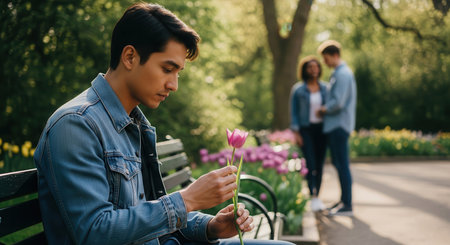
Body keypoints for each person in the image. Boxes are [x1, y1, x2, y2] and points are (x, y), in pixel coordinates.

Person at [33, 3, 294, 245]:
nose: (174, 85)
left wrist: (210, 227)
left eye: (178, 73)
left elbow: (151, 212)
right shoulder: (76, 125)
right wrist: (187, 199)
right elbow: (94, 231)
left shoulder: (133, 123)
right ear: (130, 57)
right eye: (167, 69)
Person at [316, 40, 357, 217]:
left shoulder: (342, 74)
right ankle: (343, 201)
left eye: (326, 59)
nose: (324, 63)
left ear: (334, 55)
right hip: (337, 125)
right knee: (339, 164)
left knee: (342, 165)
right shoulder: (339, 73)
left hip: (339, 125)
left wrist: (322, 109)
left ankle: (347, 205)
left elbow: (338, 102)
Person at [289, 56, 327, 212]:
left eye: (316, 66)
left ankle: (317, 196)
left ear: (319, 69)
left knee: (320, 164)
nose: (313, 70)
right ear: (304, 70)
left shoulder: (325, 88)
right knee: (310, 164)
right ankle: (312, 194)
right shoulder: (298, 90)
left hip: (322, 130)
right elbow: (294, 113)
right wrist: (296, 133)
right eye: (310, 67)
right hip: (306, 130)